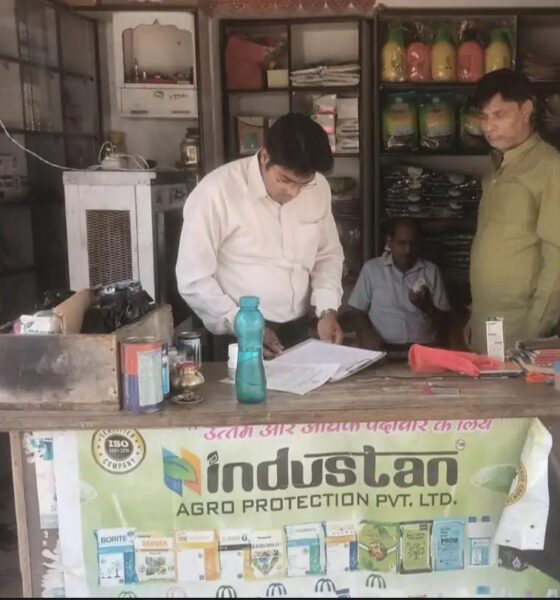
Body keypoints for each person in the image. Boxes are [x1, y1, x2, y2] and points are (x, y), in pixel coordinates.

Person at [176, 113, 344, 360]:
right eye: (285, 180)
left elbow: (327, 254)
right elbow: (193, 278)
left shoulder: (318, 188)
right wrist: (245, 325)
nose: (294, 192)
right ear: (265, 156)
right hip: (236, 333)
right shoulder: (216, 192)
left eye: (303, 183)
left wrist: (327, 309)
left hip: (297, 328)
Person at [469, 69, 560, 353]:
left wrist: (533, 333)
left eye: (499, 115)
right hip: (487, 320)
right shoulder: (497, 169)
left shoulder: (549, 167)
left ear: (526, 110)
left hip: (521, 327)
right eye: (484, 117)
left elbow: (557, 260)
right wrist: (475, 313)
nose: (489, 127)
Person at [345, 218, 450, 351]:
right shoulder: (372, 269)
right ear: (390, 243)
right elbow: (356, 311)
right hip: (383, 348)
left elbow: (445, 324)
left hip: (423, 349)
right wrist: (367, 334)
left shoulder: (431, 271)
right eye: (401, 243)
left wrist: (426, 306)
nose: (407, 250)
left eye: (413, 243)